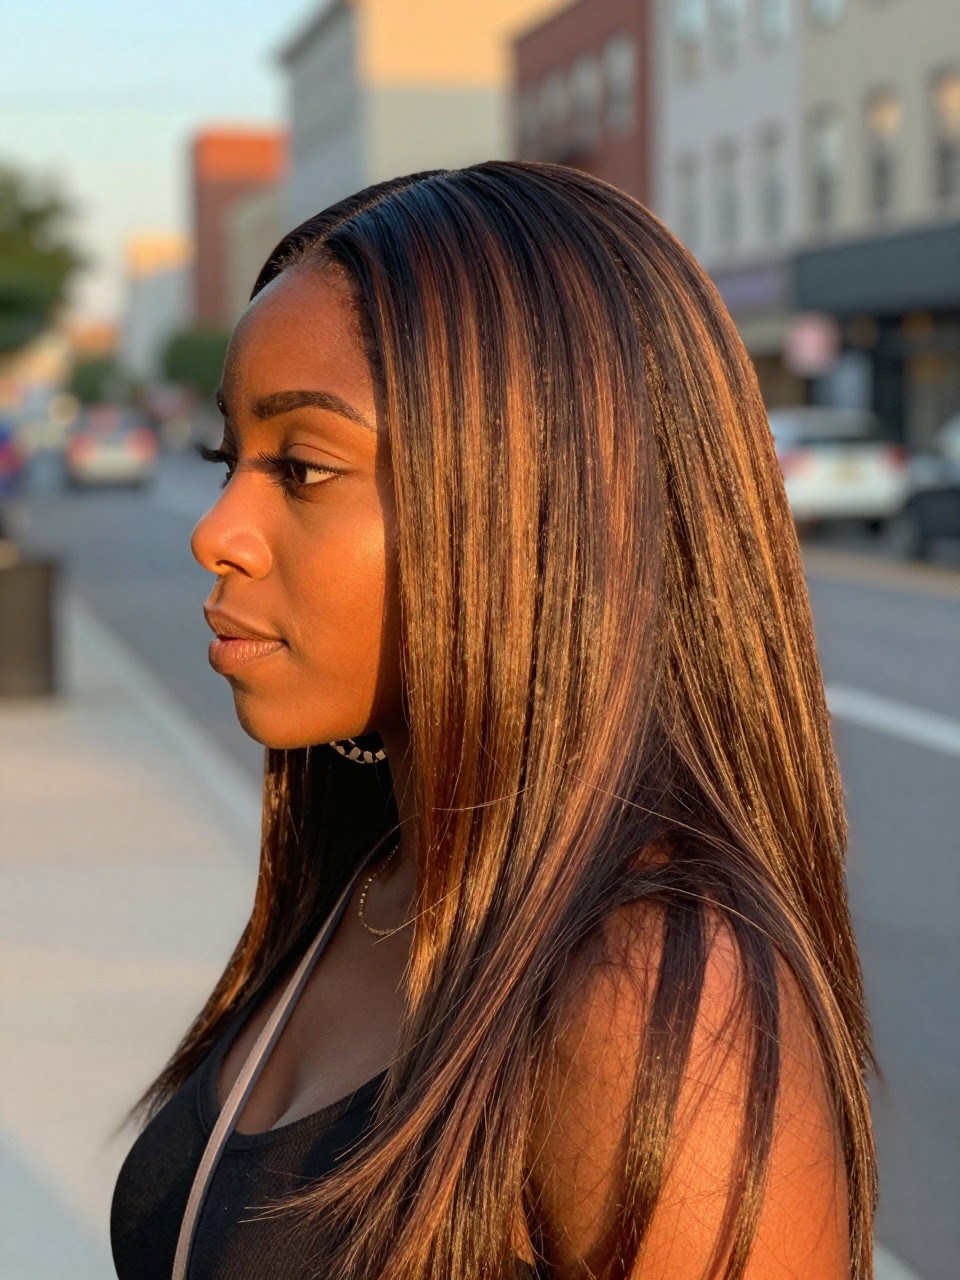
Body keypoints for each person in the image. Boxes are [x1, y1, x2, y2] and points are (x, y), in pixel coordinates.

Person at [109, 161, 876, 1280]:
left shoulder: (659, 1001)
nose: (217, 529)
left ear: (532, 498)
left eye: (303, 466)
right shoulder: (374, 872)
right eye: (229, 458)